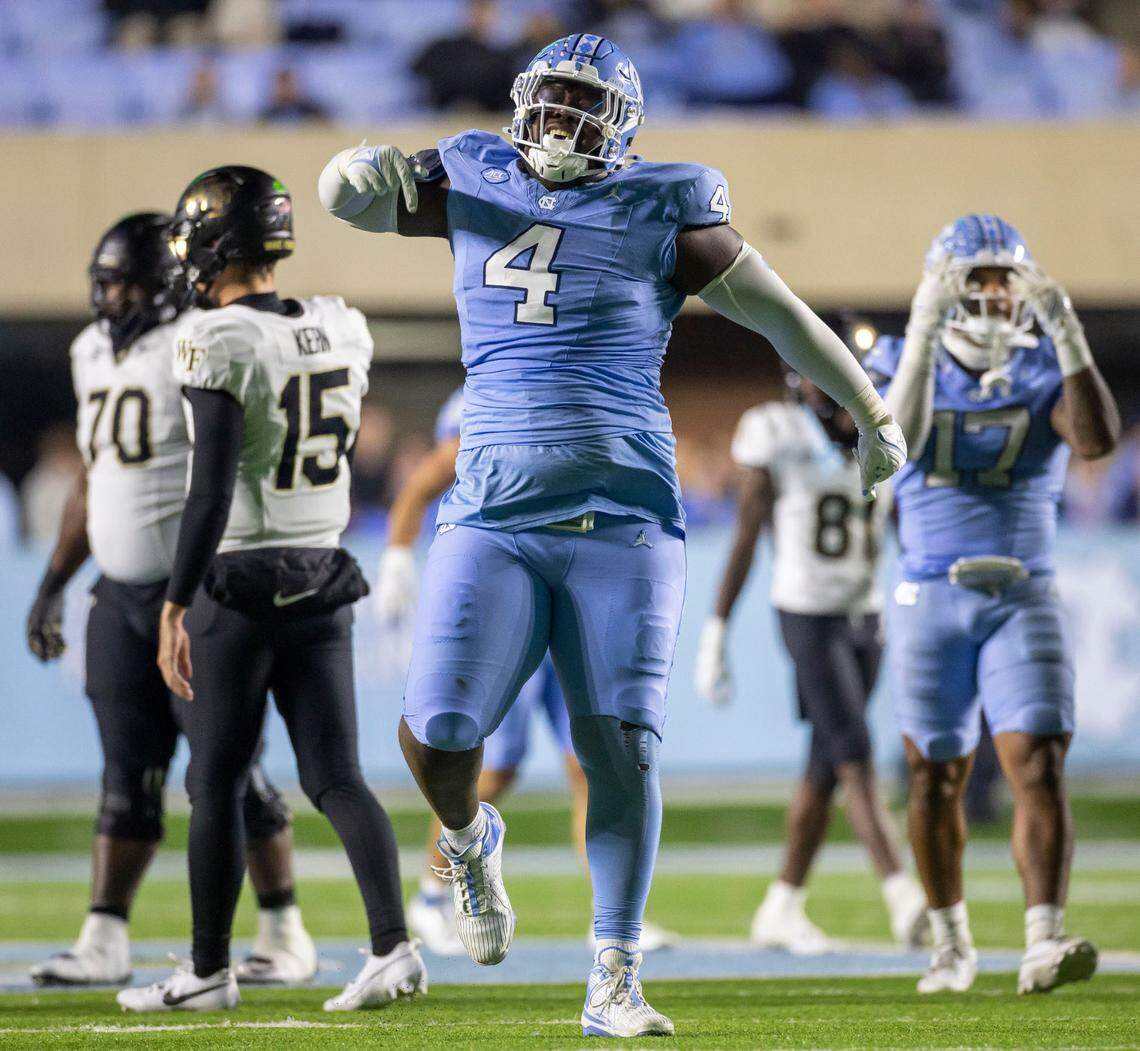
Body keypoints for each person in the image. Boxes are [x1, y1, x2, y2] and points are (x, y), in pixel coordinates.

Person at [319, 33, 905, 1038]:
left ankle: (616, 974)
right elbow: (352, 201)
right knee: (439, 729)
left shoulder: (661, 207)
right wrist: (348, 172)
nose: (559, 122)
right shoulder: (473, 173)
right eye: (547, 102)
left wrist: (870, 412)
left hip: (625, 522)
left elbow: (783, 317)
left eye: (581, 106)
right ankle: (467, 839)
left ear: (621, 124)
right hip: (493, 511)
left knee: (621, 744)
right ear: (519, 104)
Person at [116, 168, 425, 1013]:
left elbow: (210, 489)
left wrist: (174, 601)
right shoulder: (338, 326)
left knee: (213, 780)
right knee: (337, 776)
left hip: (243, 576)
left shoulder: (216, 338)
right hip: (324, 570)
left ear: (217, 245)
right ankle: (392, 945)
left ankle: (209, 969)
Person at [25, 212, 316, 987]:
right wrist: (54, 582)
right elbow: (93, 477)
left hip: (194, 596)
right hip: (117, 596)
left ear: (162, 285)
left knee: (229, 768)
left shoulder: (198, 340)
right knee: (126, 770)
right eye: (105, 279)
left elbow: (235, 462)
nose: (109, 294)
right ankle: (104, 935)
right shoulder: (91, 351)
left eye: (125, 280)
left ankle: (284, 928)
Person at [866, 213, 1119, 995]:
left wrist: (1071, 333)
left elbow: (1096, 440)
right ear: (943, 283)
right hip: (929, 589)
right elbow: (890, 442)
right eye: (976, 277)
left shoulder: (1046, 363)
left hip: (1023, 587)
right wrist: (920, 328)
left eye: (1004, 277)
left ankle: (1044, 935)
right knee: (933, 774)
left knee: (1036, 762)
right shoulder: (898, 360)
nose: (995, 293)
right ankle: (951, 942)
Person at [375, 387, 677, 955]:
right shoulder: (489, 398)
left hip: (584, 590)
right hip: (516, 593)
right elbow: (427, 481)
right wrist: (395, 554)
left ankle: (606, 918)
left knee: (594, 765)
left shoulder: (598, 381)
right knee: (494, 772)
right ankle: (433, 891)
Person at [695, 369, 928, 954]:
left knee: (823, 768)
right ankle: (904, 896)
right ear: (805, 387)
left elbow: (904, 526)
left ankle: (781, 905)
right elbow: (748, 533)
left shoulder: (884, 434)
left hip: (866, 616)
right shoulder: (777, 431)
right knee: (854, 752)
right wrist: (717, 627)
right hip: (807, 615)